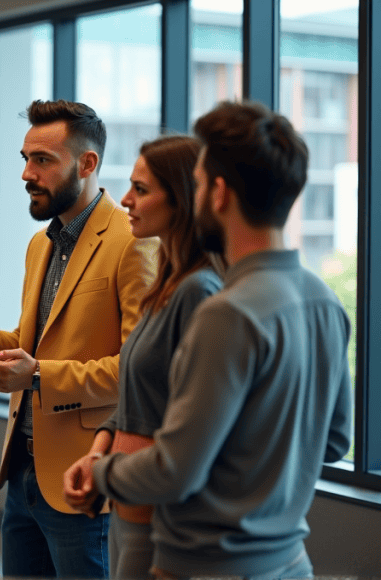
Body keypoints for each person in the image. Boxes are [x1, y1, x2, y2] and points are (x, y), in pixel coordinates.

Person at [89, 101, 353, 579]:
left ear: (219, 193)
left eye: (196, 184)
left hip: (207, 566)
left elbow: (175, 471)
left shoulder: (226, 313)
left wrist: (99, 472)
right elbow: (333, 440)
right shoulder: (324, 301)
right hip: (290, 563)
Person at [0, 99, 157, 577]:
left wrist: (37, 375)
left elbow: (138, 372)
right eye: (25, 159)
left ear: (87, 163)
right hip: (23, 474)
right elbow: (32, 346)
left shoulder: (132, 242)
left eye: (43, 161)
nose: (27, 174)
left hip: (83, 479)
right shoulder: (41, 245)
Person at [62, 135, 222, 579]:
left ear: (184, 200)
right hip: (125, 505)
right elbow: (140, 396)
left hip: (160, 517)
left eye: (142, 189)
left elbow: (187, 417)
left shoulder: (199, 292)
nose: (127, 200)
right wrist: (97, 454)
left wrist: (107, 470)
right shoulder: (165, 285)